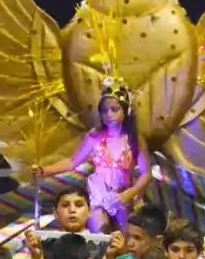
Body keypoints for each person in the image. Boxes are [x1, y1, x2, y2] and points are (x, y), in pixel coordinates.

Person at [40, 89, 152, 231]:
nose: (109, 115)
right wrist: (45, 170)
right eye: (104, 111)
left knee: (124, 241)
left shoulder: (134, 139)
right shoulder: (94, 137)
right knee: (101, 239)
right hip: (98, 196)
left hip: (124, 197)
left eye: (114, 109)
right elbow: (73, 162)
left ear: (126, 110)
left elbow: (146, 174)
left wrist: (129, 194)